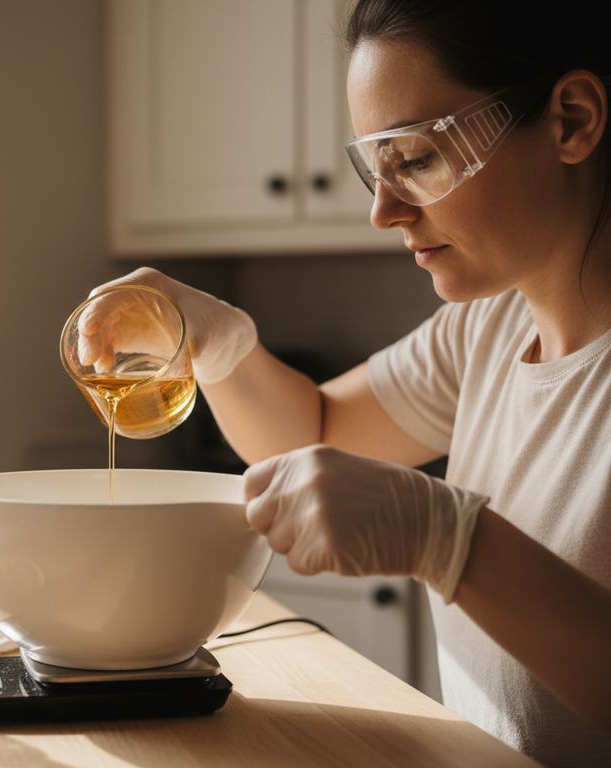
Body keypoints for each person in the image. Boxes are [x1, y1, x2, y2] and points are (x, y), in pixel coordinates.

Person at [84, 1, 611, 765]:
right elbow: (315, 431)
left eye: (419, 158)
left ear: (571, 119)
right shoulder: (490, 327)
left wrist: (452, 541)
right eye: (375, 165)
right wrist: (220, 343)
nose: (382, 210)